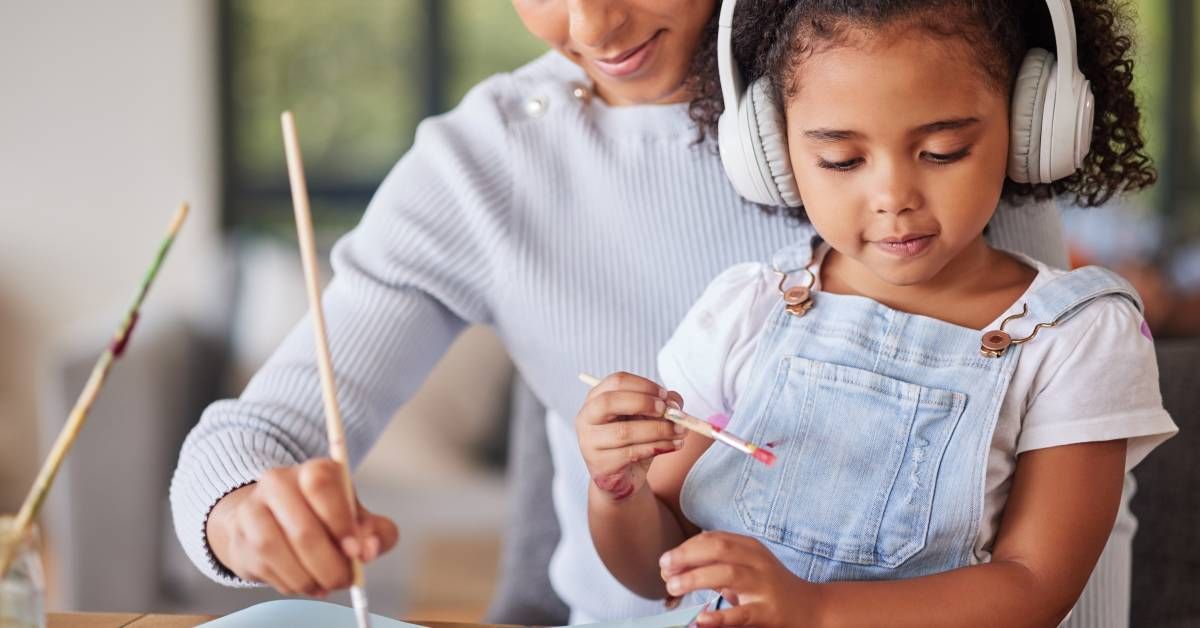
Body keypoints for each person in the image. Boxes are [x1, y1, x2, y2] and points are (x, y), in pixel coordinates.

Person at [170, 1, 1081, 623]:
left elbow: (1070, 510)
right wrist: (244, 511)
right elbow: (252, 436)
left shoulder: (919, 83)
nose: (592, 25)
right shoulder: (481, 167)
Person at [575, 0, 1178, 625]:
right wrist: (618, 493)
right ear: (773, 153)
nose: (894, 198)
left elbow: (1034, 589)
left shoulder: (1075, 336)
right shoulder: (744, 311)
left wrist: (815, 610)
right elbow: (660, 571)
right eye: (842, 161)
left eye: (943, 150)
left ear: (1031, 126)